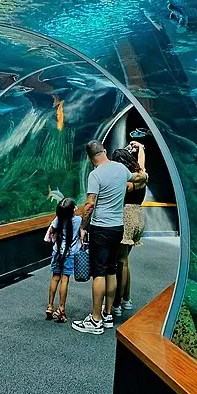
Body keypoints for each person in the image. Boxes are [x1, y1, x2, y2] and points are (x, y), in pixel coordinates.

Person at [72, 137, 130, 333]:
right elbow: (134, 179)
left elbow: (89, 205)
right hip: (118, 226)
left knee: (98, 273)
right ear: (104, 150)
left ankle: (95, 320)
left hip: (101, 228)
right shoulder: (122, 169)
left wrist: (83, 227)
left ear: (90, 158)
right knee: (111, 270)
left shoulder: (95, 175)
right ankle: (107, 314)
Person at [113, 137, 148, 318]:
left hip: (126, 217)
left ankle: (117, 302)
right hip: (138, 217)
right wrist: (140, 148)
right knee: (125, 261)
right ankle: (127, 298)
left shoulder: (126, 181)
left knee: (121, 262)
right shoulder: (141, 175)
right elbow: (141, 165)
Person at [43, 197, 79, 324]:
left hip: (57, 252)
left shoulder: (58, 220)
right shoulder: (78, 220)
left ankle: (50, 306)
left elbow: (52, 230)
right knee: (65, 280)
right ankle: (61, 309)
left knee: (55, 278)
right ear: (73, 210)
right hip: (69, 254)